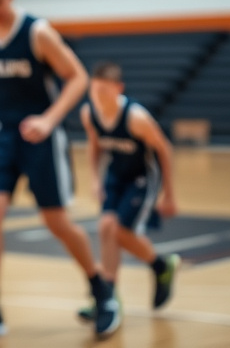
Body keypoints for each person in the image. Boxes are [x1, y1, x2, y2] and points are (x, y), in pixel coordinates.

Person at [0, 0, 118, 341]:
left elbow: (77, 77)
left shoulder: (37, 32)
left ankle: (101, 288)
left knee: (56, 222)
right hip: (2, 135)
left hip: (41, 138)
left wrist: (49, 119)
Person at [79, 61, 180, 328]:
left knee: (122, 231)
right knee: (104, 227)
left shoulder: (136, 118)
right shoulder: (89, 114)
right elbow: (94, 146)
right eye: (94, 91)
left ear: (118, 89)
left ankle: (161, 266)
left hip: (143, 176)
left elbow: (165, 149)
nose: (98, 97)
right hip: (116, 174)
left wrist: (169, 194)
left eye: (104, 92)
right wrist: (95, 180)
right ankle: (109, 296)